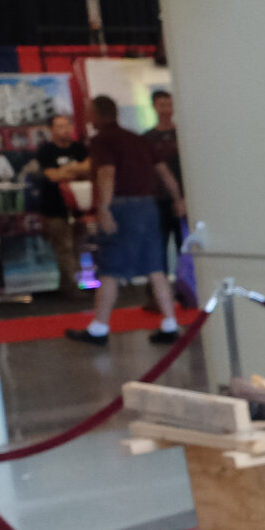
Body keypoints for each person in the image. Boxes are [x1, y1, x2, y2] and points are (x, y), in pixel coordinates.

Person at [65, 96, 184, 347]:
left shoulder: (102, 141)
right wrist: (178, 199)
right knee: (156, 267)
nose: (87, 118)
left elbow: (107, 173)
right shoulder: (138, 139)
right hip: (148, 206)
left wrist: (104, 208)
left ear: (98, 115)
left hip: (122, 207)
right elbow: (163, 172)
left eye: (89, 113)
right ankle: (170, 323)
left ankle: (99, 328)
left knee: (110, 268)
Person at [25, 110, 94, 294]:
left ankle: (70, 284)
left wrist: (69, 169)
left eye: (67, 126)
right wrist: (74, 170)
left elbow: (88, 167)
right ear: (52, 130)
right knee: (64, 246)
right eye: (60, 127)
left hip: (78, 206)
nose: (65, 130)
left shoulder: (79, 148)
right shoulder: (46, 151)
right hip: (54, 207)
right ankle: (71, 286)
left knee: (77, 246)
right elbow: (52, 175)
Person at [147, 88, 187, 283]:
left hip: (185, 201)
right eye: (162, 105)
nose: (166, 109)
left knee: (185, 246)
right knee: (159, 246)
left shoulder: (184, 134)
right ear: (154, 107)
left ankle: (188, 288)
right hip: (158, 201)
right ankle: (159, 291)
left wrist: (184, 198)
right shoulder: (147, 138)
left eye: (169, 104)